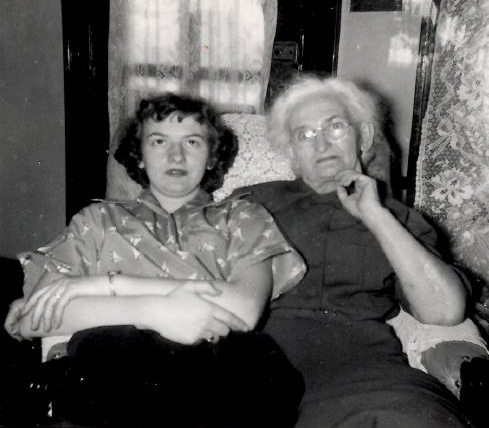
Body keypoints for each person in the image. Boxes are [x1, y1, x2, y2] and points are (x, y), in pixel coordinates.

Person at [3, 94, 306, 427]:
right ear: (140, 155)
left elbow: (244, 310)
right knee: (106, 349)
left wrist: (105, 285)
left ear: (210, 157)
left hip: (217, 370)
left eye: (192, 142)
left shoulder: (242, 216)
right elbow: (33, 319)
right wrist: (153, 312)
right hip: (118, 368)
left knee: (258, 363)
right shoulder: (98, 220)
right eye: (159, 141)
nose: (176, 155)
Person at [233, 76, 472, 427]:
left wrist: (376, 216)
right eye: (304, 135)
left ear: (365, 137)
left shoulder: (399, 219)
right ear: (293, 154)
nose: (322, 144)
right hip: (255, 369)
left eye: (335, 126)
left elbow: (445, 311)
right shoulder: (253, 202)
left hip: (364, 373)